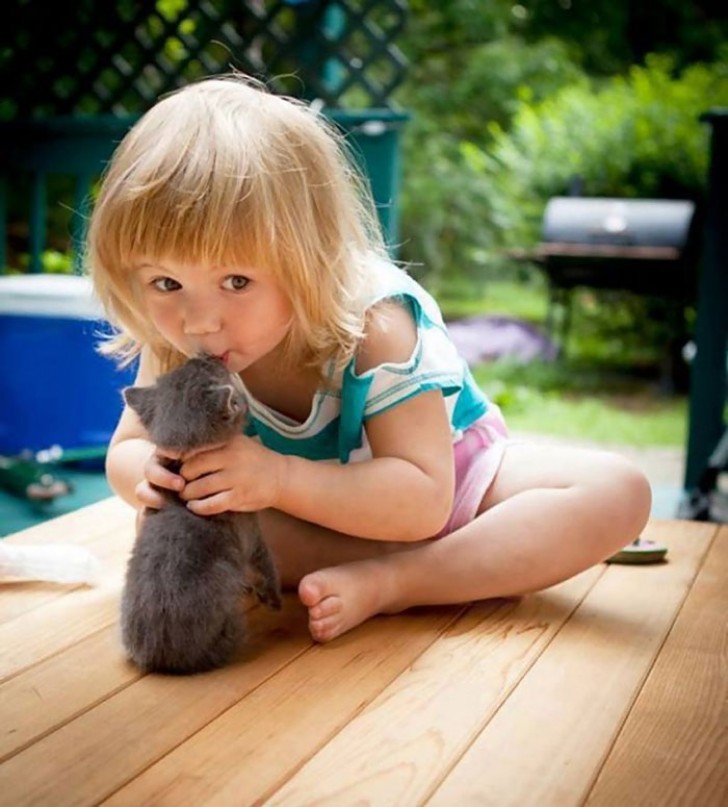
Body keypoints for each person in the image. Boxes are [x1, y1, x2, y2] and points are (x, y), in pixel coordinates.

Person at [88, 75, 652, 643]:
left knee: (617, 491)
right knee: (161, 522)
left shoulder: (373, 324)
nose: (200, 320)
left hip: (448, 494)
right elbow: (128, 449)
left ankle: (402, 581)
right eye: (165, 281)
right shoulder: (179, 339)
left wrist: (280, 477)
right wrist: (157, 475)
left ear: (309, 259)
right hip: (314, 523)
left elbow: (424, 501)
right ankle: (465, 565)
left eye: (236, 280)